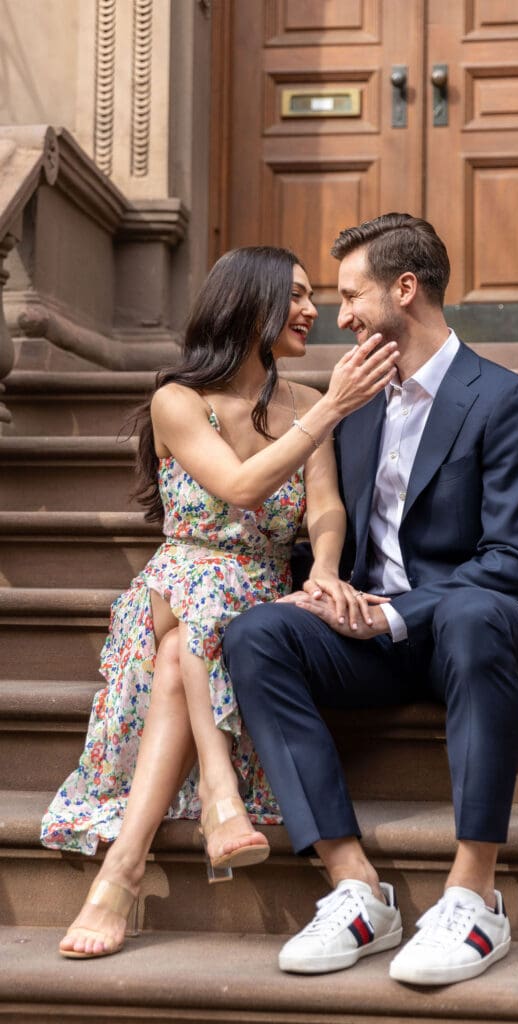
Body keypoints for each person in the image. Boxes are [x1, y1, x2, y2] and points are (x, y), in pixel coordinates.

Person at [222, 214, 518, 986]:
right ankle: (353, 888)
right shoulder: (355, 403)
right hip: (369, 634)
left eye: (350, 296)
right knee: (254, 635)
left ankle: (473, 895)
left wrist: (392, 611)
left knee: (477, 610)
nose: (338, 316)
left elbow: (511, 561)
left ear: (403, 290)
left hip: (469, 629)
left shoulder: (503, 398)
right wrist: (321, 585)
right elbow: (322, 523)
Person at [40, 245, 398, 959]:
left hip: (251, 595)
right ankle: (216, 795)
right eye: (294, 296)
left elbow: (324, 508)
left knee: (186, 645)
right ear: (250, 303)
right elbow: (240, 488)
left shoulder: (295, 404)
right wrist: (328, 409)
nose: (310, 310)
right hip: (182, 583)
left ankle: (124, 870)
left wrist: (324, 569)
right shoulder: (178, 400)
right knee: (196, 601)